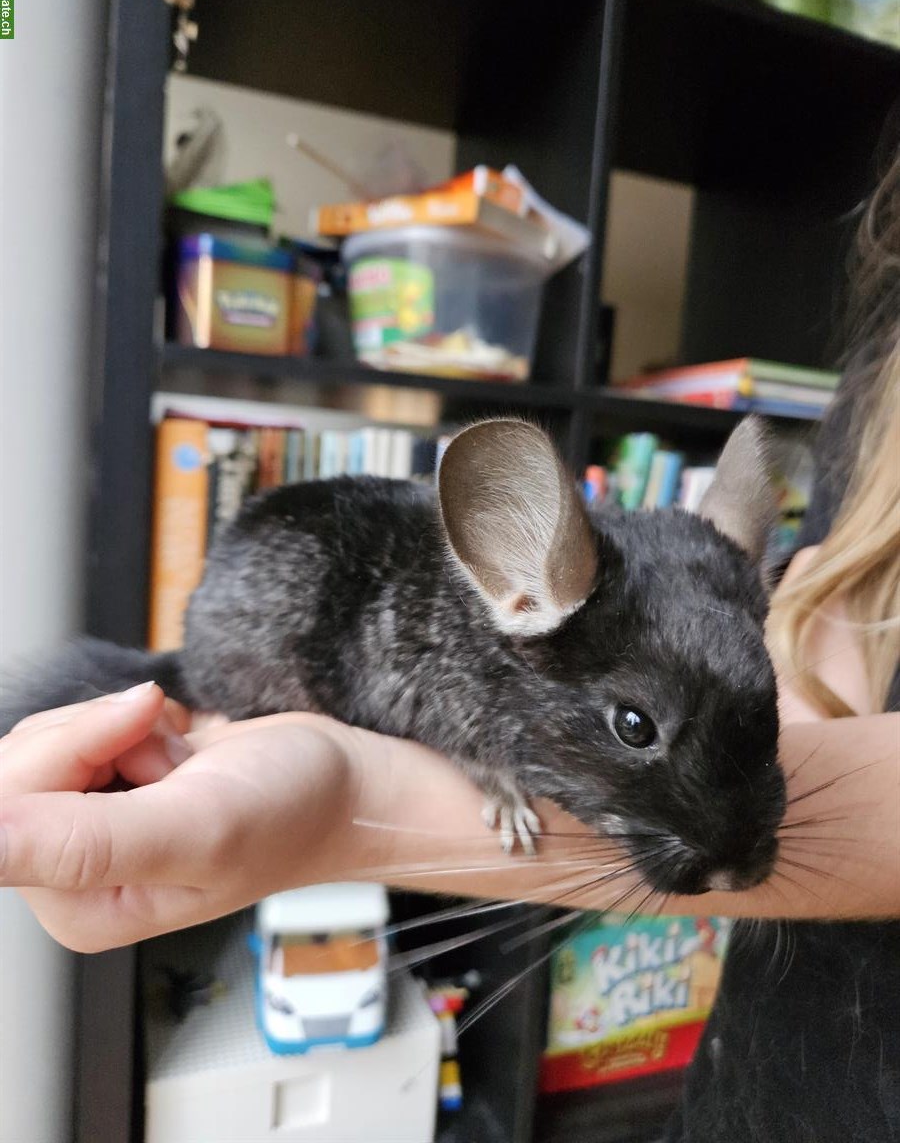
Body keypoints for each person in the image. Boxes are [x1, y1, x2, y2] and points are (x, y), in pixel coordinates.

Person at [1, 156, 898, 1140]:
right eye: (639, 724)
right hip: (277, 635)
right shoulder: (522, 628)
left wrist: (348, 802)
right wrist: (407, 778)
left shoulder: (668, 606)